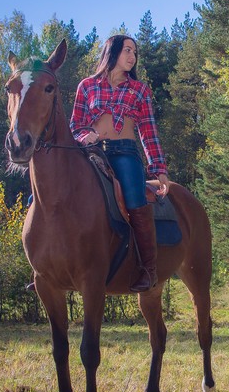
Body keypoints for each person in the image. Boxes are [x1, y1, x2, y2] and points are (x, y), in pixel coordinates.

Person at [70, 34, 168, 293]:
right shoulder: (87, 86)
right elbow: (76, 124)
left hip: (124, 152)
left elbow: (148, 131)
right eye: (127, 50)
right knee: (60, 189)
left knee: (136, 199)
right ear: (111, 52)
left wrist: (159, 169)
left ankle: (148, 268)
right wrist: (84, 135)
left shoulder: (140, 90)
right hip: (91, 152)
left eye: (134, 52)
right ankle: (49, 264)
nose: (132, 56)